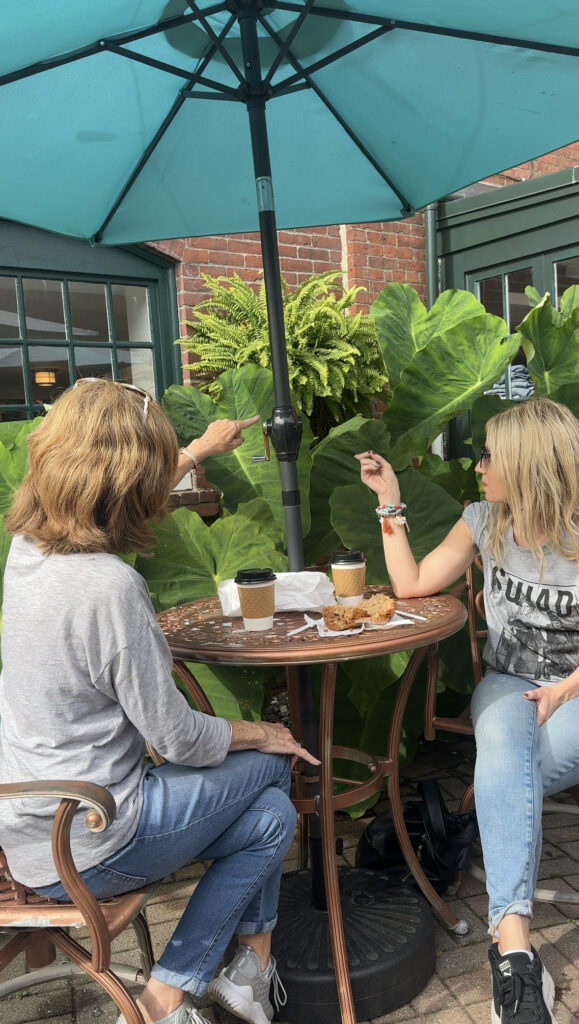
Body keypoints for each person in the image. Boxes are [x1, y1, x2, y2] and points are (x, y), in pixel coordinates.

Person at [0, 378, 319, 1024]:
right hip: (94, 835)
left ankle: (188, 993)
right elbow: (178, 739)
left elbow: (101, 490)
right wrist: (263, 733)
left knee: (268, 819)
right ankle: (201, 984)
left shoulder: (26, 552)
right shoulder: (110, 589)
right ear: (133, 487)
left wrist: (195, 450)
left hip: (31, 829)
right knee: (276, 771)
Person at [356, 397, 579, 1024]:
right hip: (508, 685)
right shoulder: (483, 520)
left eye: (489, 455)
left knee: (518, 766)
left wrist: (564, 690)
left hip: (576, 691)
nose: (478, 465)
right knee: (509, 753)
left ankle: (488, 810)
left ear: (528, 465)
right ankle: (515, 954)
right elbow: (412, 584)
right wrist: (388, 501)